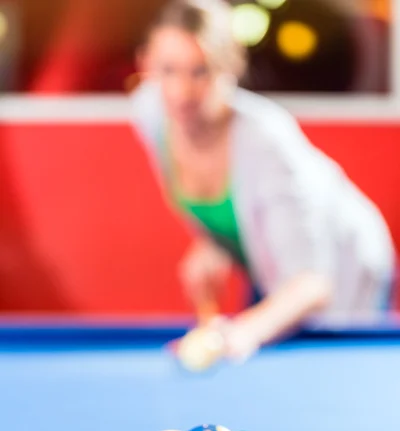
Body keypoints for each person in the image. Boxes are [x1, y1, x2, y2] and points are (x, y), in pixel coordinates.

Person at [130, 0, 395, 369]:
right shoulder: (150, 113)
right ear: (145, 64)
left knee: (319, 377)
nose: (181, 92)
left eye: (200, 71)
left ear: (231, 69)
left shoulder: (267, 141)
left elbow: (312, 284)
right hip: (272, 261)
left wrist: (241, 333)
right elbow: (233, 205)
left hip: (343, 263)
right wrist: (216, 242)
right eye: (167, 70)